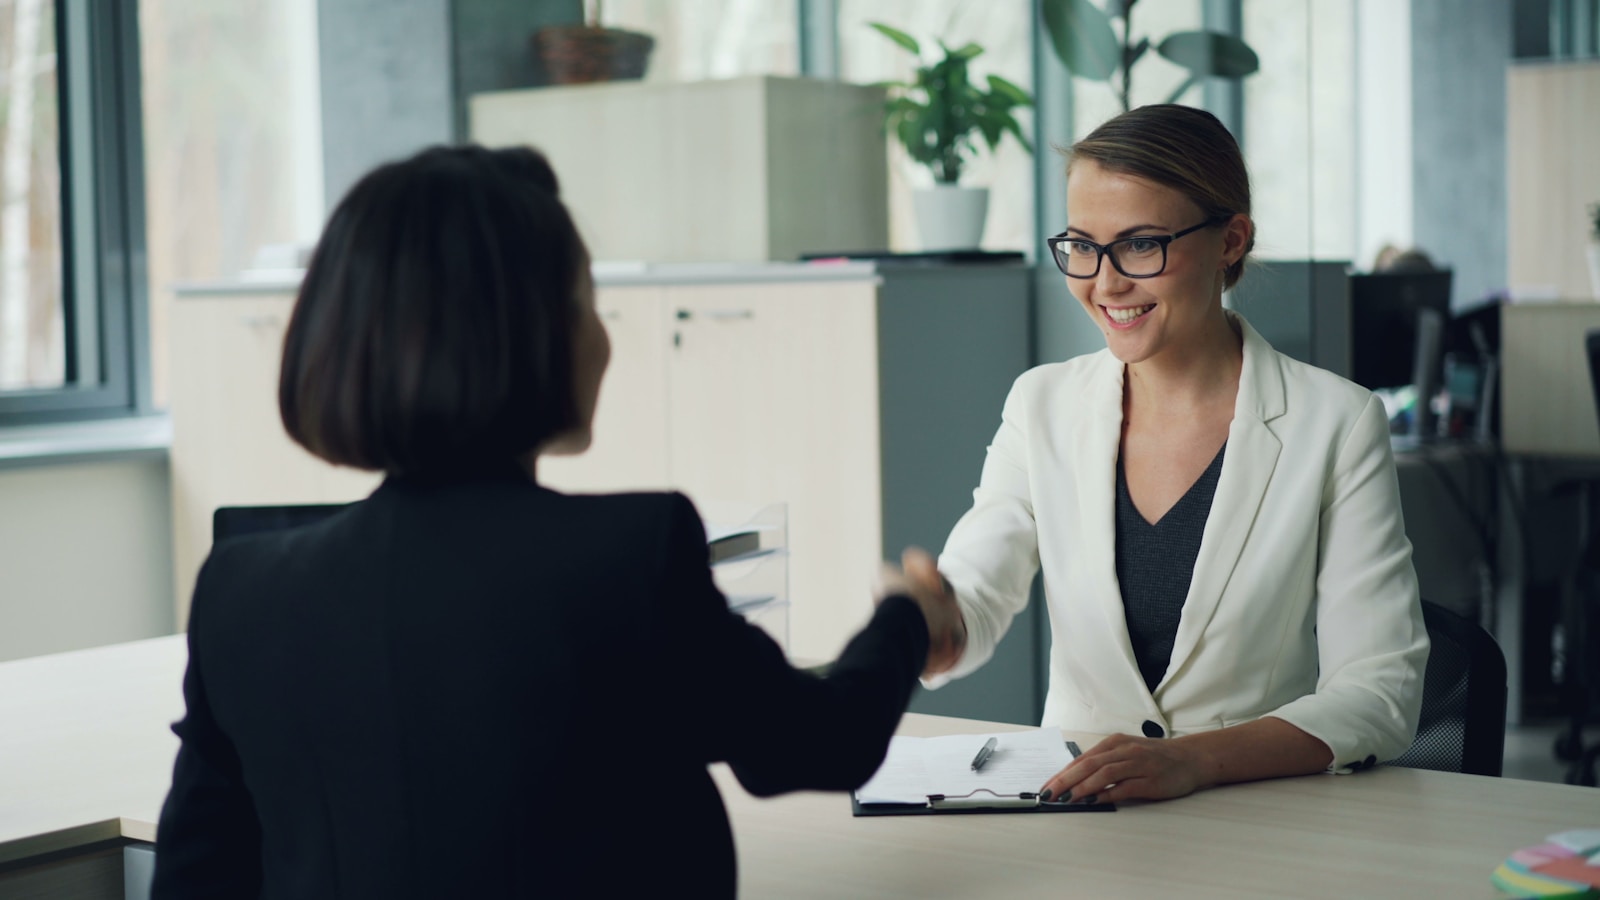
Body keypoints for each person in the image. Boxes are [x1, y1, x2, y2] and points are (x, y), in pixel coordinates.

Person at [150, 145, 961, 899]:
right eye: (587, 303)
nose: (604, 339)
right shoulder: (627, 558)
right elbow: (814, 745)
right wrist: (905, 618)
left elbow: (195, 875)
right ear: (524, 335)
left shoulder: (242, 592)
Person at [905, 105, 1429, 804]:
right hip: (1078, 818)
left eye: (1142, 244)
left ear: (1231, 241)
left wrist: (1194, 761)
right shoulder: (1043, 406)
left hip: (1258, 820)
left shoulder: (1335, 423)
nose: (1105, 281)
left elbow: (1380, 691)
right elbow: (978, 585)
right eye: (1083, 246)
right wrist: (941, 624)